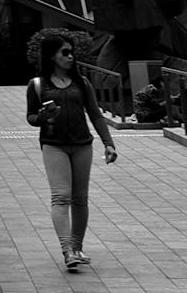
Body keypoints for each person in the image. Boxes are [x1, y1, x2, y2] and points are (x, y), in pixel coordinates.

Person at [25, 35, 118, 272]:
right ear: (51, 56)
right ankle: (67, 250)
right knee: (61, 196)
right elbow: (31, 117)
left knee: (80, 198)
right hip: (53, 145)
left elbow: (95, 114)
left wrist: (108, 143)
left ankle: (77, 247)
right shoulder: (37, 85)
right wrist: (42, 117)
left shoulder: (81, 82)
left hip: (82, 145)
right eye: (64, 52)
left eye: (71, 52)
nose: (70, 57)